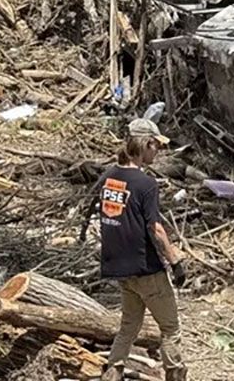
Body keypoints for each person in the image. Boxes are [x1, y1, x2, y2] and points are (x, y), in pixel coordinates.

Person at [95, 118, 187, 381]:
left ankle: (112, 374)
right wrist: (175, 261)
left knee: (128, 328)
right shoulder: (145, 184)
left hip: (120, 268)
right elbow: (155, 229)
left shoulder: (108, 178)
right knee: (170, 328)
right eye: (156, 146)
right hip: (146, 268)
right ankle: (176, 377)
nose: (157, 151)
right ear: (146, 144)